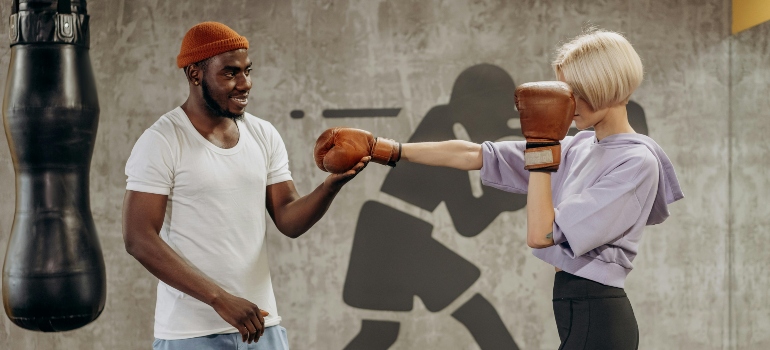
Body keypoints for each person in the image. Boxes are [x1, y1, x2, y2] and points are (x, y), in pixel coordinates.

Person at [315, 29, 683, 350]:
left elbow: (542, 234)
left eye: (577, 91)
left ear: (606, 87)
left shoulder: (636, 163)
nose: (568, 103)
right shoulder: (577, 146)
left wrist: (541, 147)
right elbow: (475, 154)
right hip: (573, 305)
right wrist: (385, 149)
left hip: (599, 312)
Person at [122, 22, 370, 350]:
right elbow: (138, 238)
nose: (245, 84)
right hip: (190, 334)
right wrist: (220, 299)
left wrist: (331, 186)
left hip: (262, 327)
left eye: (247, 71)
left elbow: (288, 218)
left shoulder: (263, 134)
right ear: (195, 73)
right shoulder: (163, 141)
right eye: (230, 73)